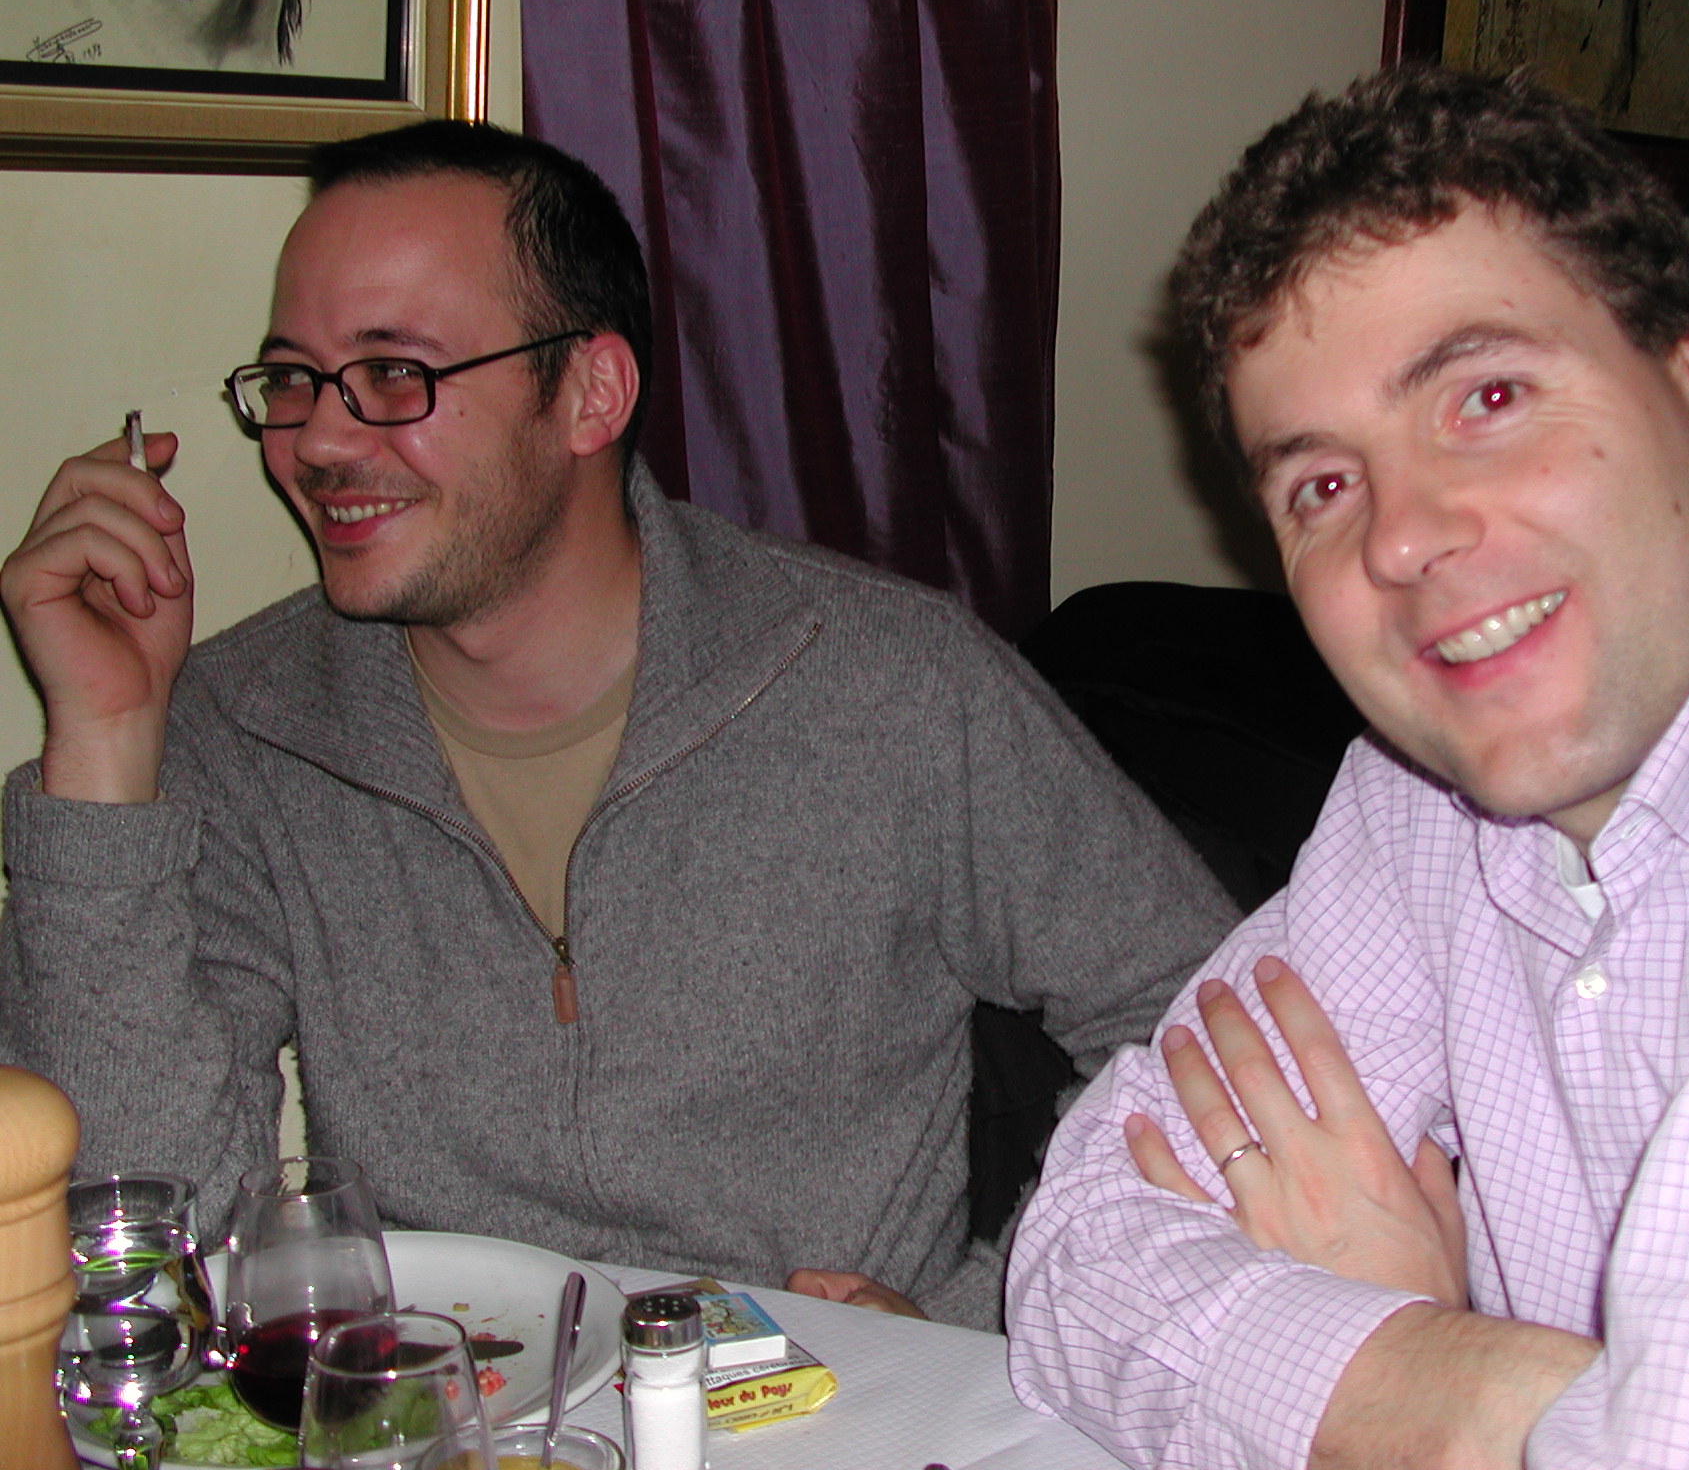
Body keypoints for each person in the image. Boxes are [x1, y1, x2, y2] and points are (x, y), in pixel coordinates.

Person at [0, 121, 1236, 1332]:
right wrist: (104, 747)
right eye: (290, 380)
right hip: (443, 1410)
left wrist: (998, 1317)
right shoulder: (246, 725)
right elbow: (138, 1253)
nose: (316, 440)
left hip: (821, 1412)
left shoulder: (888, 684)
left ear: (590, 394)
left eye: (393, 374)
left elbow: (1214, 1031)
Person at [1007, 65, 1689, 1466]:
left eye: (1486, 395)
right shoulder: (1424, 800)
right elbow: (1078, 1245)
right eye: (1321, 486)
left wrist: (1377, 1375)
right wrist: (1436, 1373)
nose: (1399, 538)